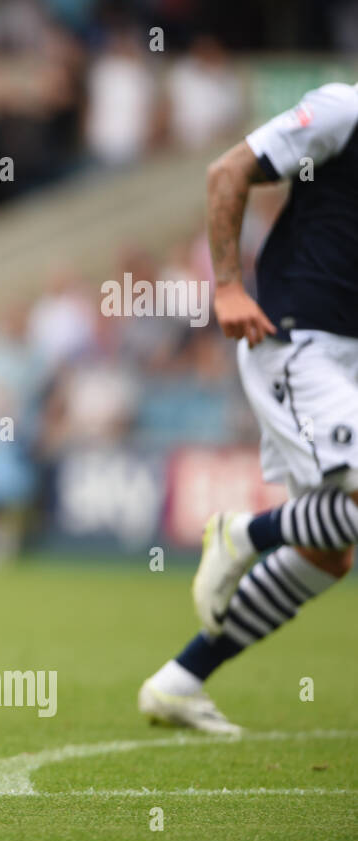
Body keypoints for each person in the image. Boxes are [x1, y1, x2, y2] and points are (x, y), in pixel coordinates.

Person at [139, 81, 358, 733]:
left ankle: (180, 680)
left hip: (346, 355)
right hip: (297, 339)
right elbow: (228, 169)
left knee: (330, 550)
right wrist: (228, 286)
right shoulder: (345, 108)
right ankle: (242, 533)